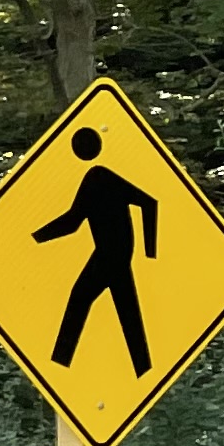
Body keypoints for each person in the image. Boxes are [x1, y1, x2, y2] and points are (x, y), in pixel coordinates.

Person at [36, 123, 159, 374]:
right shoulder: (100, 176)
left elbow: (73, 221)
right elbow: (74, 221)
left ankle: (60, 365)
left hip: (109, 255)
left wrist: (151, 252)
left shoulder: (98, 177)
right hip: (117, 254)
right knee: (128, 315)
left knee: (80, 300)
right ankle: (143, 370)